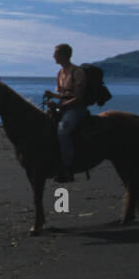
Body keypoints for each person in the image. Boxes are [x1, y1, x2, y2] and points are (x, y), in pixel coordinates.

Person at [45, 43, 87, 182]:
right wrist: (53, 96)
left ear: (64, 55)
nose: (53, 56)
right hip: (63, 107)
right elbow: (63, 94)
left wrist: (61, 106)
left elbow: (79, 98)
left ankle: (68, 168)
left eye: (56, 54)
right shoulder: (60, 73)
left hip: (76, 109)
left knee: (62, 132)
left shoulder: (77, 72)